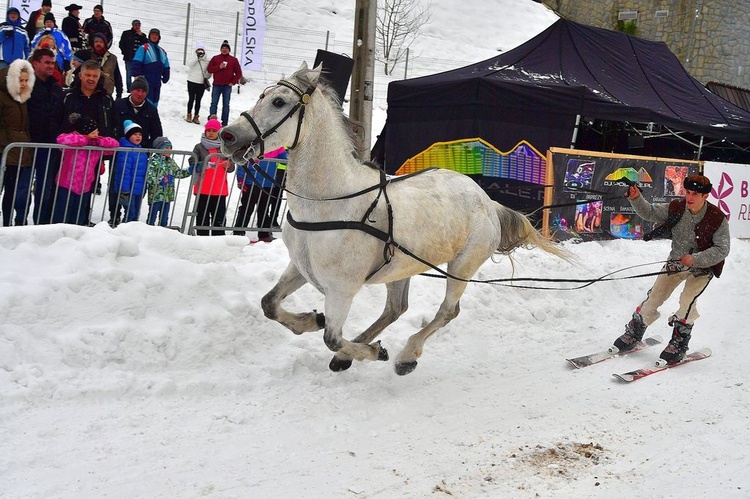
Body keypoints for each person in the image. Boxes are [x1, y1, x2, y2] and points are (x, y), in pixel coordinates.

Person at [612, 174, 731, 364]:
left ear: (705, 196)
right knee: (655, 297)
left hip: (702, 268)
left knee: (687, 300)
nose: (690, 197)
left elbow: (722, 249)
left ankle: (679, 342)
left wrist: (696, 259)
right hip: (676, 262)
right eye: (688, 192)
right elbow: (649, 212)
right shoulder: (676, 208)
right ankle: (634, 332)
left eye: (696, 194)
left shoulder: (717, 218)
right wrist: (636, 198)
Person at [53, 113, 118, 225]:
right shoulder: (74, 141)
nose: (97, 134)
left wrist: (98, 141)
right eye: (93, 132)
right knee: (63, 215)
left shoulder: (96, 144)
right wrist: (85, 140)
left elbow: (114, 144)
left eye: (97, 131)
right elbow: (61, 140)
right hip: (66, 185)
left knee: (79, 216)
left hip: (85, 186)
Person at [28, 48, 65, 225]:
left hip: (49, 147)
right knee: (21, 191)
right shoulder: (25, 84)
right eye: (47, 62)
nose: (51, 66)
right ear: (35, 63)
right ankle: (16, 226)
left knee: (45, 191)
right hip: (26, 145)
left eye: (53, 62)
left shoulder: (57, 88)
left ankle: (40, 226)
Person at [0, 58, 34, 226]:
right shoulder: (3, 97)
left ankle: (7, 223)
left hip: (17, 153)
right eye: (20, 80)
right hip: (4, 151)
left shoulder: (23, 99)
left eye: (26, 80)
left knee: (11, 192)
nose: (23, 84)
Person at [188, 118, 234, 235]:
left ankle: (218, 238)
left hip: (219, 189)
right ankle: (202, 238)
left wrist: (228, 164)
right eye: (209, 130)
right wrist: (202, 164)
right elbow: (192, 160)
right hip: (202, 188)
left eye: (214, 130)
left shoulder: (224, 148)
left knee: (219, 217)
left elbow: (232, 167)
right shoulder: (199, 147)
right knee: (202, 215)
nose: (211, 133)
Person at [233, 146, 287, 241]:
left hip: (269, 183)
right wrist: (240, 178)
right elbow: (242, 162)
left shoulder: (277, 146)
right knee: (247, 208)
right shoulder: (252, 145)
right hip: (251, 182)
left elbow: (286, 158)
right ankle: (238, 232)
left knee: (264, 208)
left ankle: (264, 234)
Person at [145, 136, 192, 227]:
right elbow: (149, 177)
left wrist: (189, 170)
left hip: (167, 196)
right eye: (166, 148)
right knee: (152, 217)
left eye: (170, 148)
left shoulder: (170, 162)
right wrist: (160, 180)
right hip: (156, 196)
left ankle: (163, 234)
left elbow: (178, 173)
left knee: (164, 218)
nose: (169, 150)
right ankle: (149, 233)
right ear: (159, 149)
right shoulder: (153, 161)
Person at [112, 120, 149, 223]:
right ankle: (123, 232)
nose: (138, 137)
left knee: (136, 214)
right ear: (128, 136)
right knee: (130, 213)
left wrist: (144, 187)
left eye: (140, 134)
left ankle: (131, 234)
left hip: (138, 188)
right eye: (135, 134)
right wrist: (124, 190)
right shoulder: (125, 151)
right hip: (128, 190)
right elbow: (124, 172)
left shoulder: (141, 151)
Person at [131, 28, 170, 107]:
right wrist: (137, 76)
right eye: (152, 35)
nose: (154, 36)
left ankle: (152, 116)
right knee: (145, 101)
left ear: (159, 37)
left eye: (156, 35)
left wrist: (166, 76)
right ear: (149, 36)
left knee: (155, 101)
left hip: (157, 81)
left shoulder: (162, 51)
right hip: (145, 80)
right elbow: (136, 62)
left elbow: (166, 66)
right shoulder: (144, 48)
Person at [207, 40, 242, 126]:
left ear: (229, 50)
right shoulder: (215, 58)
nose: (224, 49)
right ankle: (212, 120)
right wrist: (219, 67)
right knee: (214, 103)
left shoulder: (233, 60)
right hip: (217, 85)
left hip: (227, 86)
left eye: (226, 48)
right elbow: (209, 69)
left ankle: (224, 122)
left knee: (226, 105)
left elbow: (239, 73)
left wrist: (232, 82)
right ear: (220, 49)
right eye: (223, 48)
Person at [89, 32, 122, 100]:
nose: (98, 44)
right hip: (89, 94)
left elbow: (117, 77)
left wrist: (119, 95)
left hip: (107, 94)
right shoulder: (87, 55)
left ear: (105, 44)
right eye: (96, 41)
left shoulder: (113, 58)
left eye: (101, 42)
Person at [118, 20, 147, 92]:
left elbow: (147, 44)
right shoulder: (126, 33)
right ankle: (129, 89)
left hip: (139, 59)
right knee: (129, 74)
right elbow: (121, 44)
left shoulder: (143, 35)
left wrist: (142, 36)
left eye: (138, 25)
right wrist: (125, 52)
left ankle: (137, 88)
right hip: (129, 58)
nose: (137, 27)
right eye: (136, 25)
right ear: (133, 25)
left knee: (138, 75)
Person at [186, 41, 210, 124]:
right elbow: (189, 64)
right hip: (191, 81)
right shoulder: (192, 57)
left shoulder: (206, 60)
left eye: (201, 49)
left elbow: (208, 73)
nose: (200, 51)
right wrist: (197, 57)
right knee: (191, 99)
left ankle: (196, 116)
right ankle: (189, 114)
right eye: (198, 49)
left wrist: (208, 74)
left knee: (198, 100)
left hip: (201, 83)